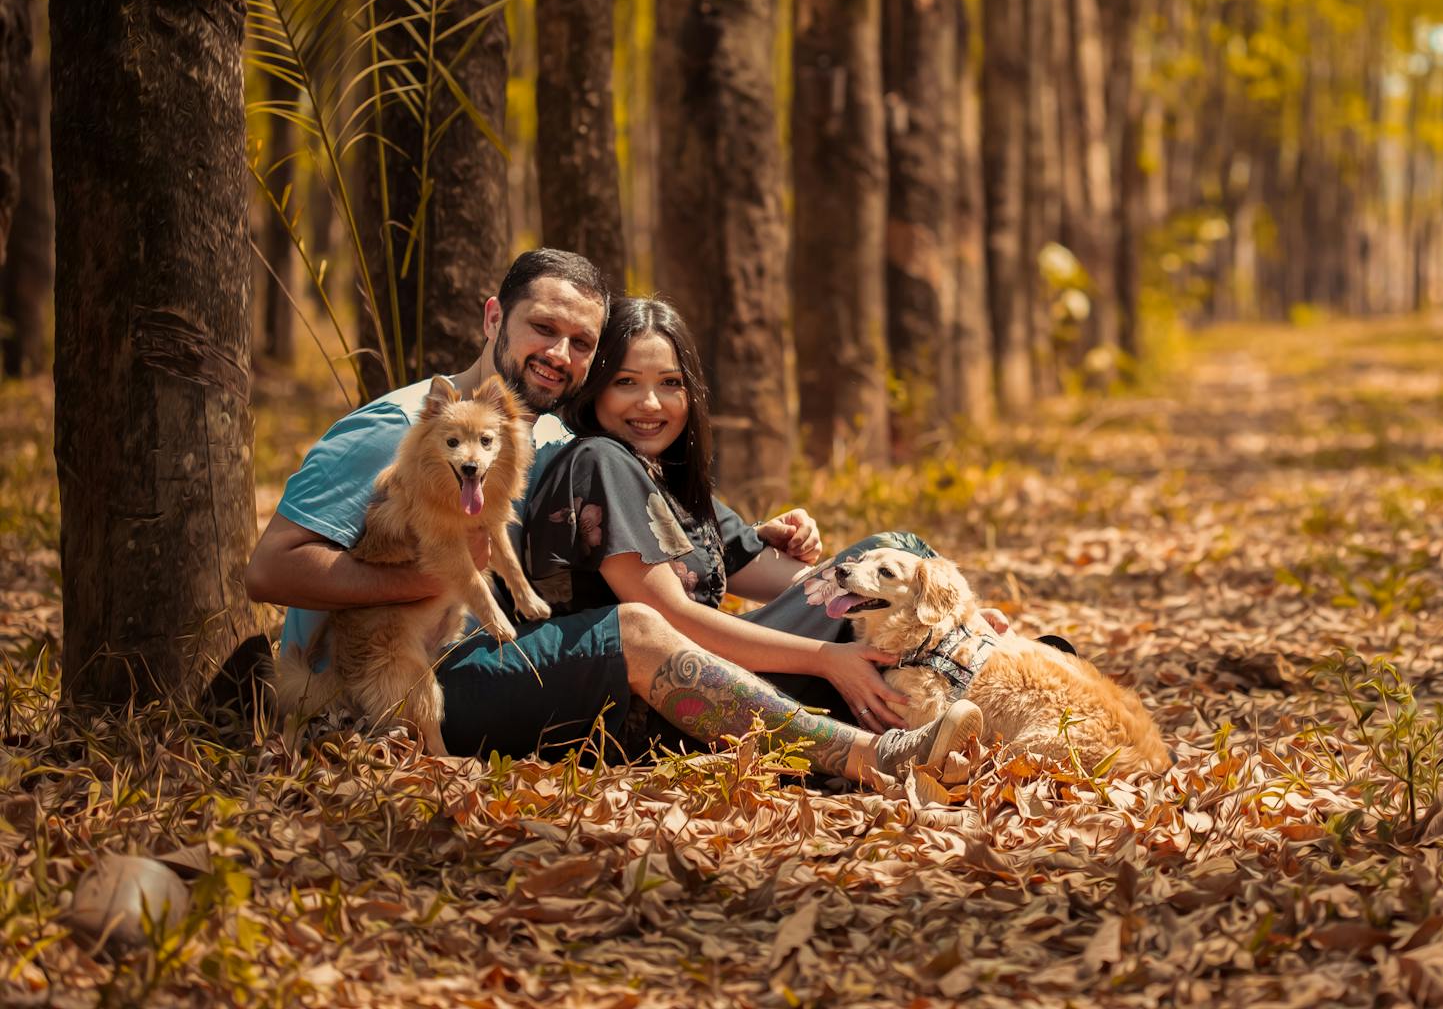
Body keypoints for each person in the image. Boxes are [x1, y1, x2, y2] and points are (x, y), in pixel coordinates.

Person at [245, 250, 979, 787]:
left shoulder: (562, 439)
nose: (559, 353)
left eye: (582, 343)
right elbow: (270, 568)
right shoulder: (397, 427)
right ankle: (866, 760)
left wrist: (807, 554)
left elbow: (712, 541)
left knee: (895, 555)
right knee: (638, 627)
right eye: (542, 328)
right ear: (495, 318)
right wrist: (437, 584)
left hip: (518, 657)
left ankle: (997, 692)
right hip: (403, 678)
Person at [518, 296, 990, 751]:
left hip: (731, 666)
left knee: (890, 569)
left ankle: (987, 679)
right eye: (626, 382)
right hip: (669, 699)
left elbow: (804, 584)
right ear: (595, 386)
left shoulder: (672, 481)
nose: (651, 404)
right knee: (895, 543)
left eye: (669, 383)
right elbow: (672, 621)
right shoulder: (599, 461)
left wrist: (936, 610)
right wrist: (828, 660)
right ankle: (956, 704)